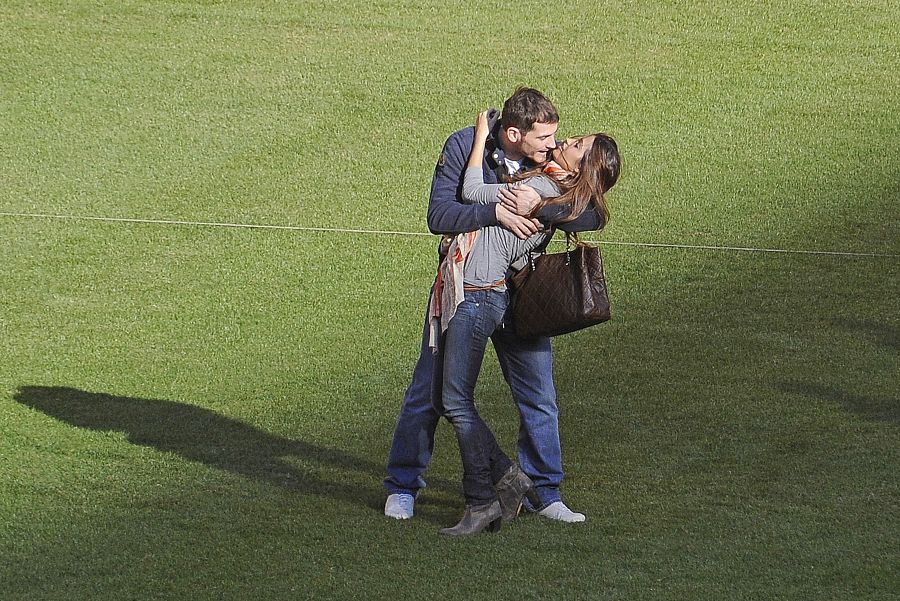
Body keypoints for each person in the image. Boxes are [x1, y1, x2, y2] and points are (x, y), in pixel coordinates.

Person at [384, 87, 601, 523]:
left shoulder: (551, 163)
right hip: (468, 288)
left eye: (558, 139)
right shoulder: (466, 144)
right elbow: (439, 216)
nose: (554, 144)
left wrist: (541, 206)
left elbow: (592, 212)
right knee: (429, 393)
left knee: (538, 396)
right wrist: (494, 214)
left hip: (523, 296)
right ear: (515, 133)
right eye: (545, 138)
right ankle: (403, 485)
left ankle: (544, 491)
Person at [433, 110, 621, 535]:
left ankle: (526, 490)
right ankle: (512, 487)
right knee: (446, 397)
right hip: (493, 290)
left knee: (484, 399)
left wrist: (481, 139)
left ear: (580, 165)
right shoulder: (551, 180)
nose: (561, 142)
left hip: (492, 296)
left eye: (572, 144)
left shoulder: (545, 187)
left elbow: (473, 190)